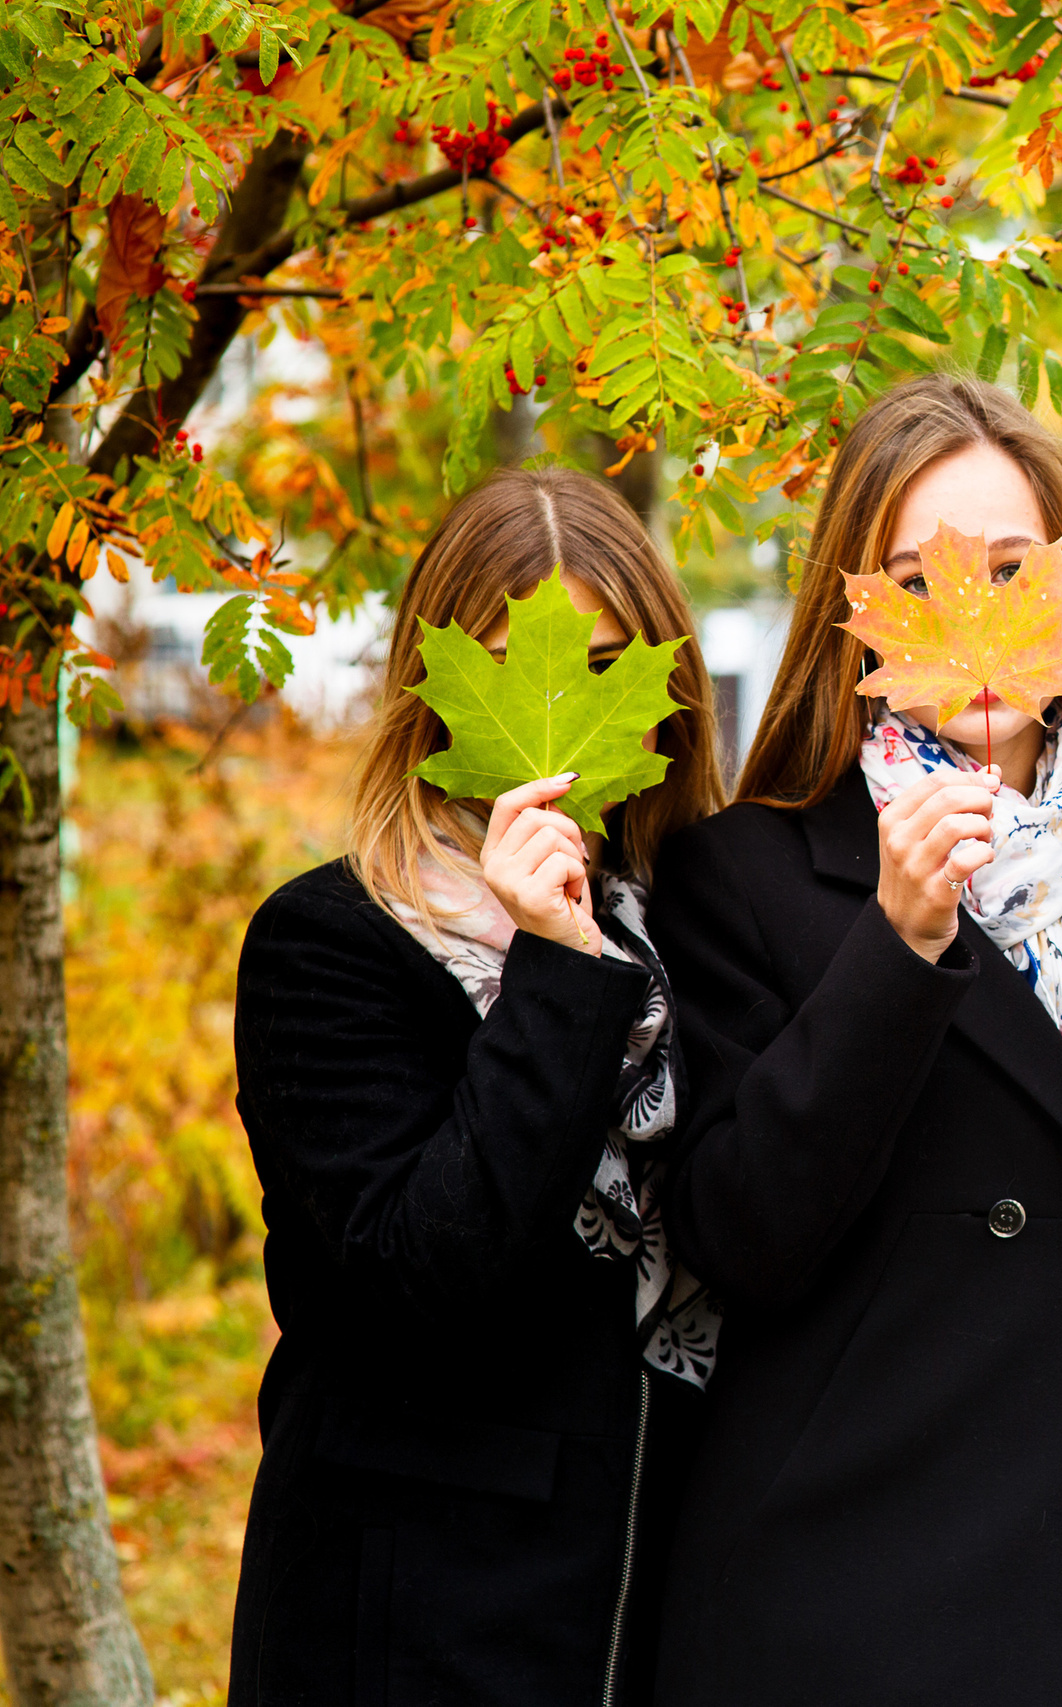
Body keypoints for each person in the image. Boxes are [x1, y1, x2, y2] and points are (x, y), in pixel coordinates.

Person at [646, 375, 1062, 1707]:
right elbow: (735, 1231)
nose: (970, 608)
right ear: (854, 616)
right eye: (916, 576)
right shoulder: (748, 873)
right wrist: (896, 950)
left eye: (1011, 567)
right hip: (826, 1578)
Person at [230, 467, 725, 1705]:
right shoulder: (332, 940)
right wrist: (556, 977)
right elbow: (409, 1282)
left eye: (605, 661)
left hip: (654, 1594)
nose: (552, 716)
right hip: (412, 1623)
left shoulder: (698, 925)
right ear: (433, 688)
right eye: (502, 665)